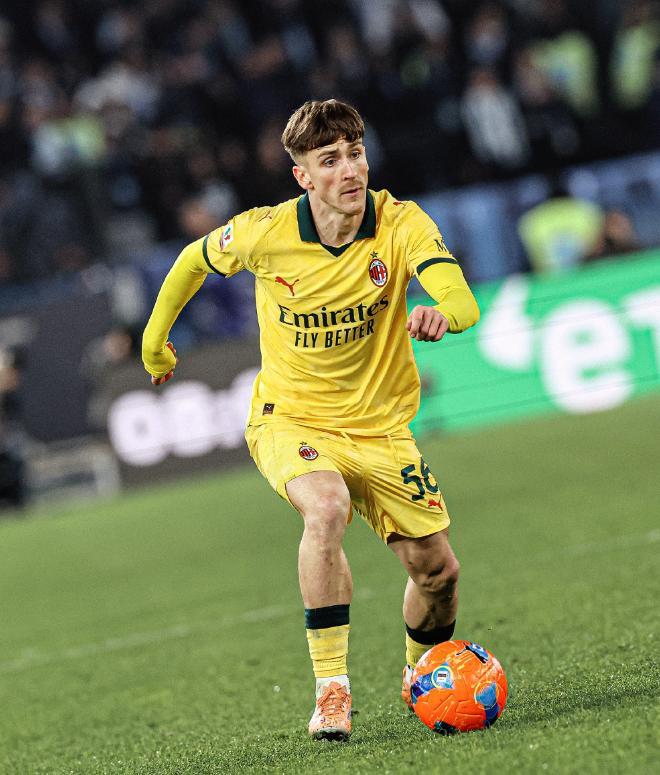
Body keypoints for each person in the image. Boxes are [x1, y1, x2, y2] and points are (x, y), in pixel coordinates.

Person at [142, 100, 480, 741]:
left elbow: (459, 296)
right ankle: (332, 690)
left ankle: (420, 676)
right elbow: (191, 261)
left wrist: (444, 314)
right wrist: (154, 343)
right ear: (303, 176)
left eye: (355, 153)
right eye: (330, 160)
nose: (349, 170)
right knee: (325, 509)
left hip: (380, 429)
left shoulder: (401, 223)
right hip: (290, 419)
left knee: (438, 574)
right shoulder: (264, 232)